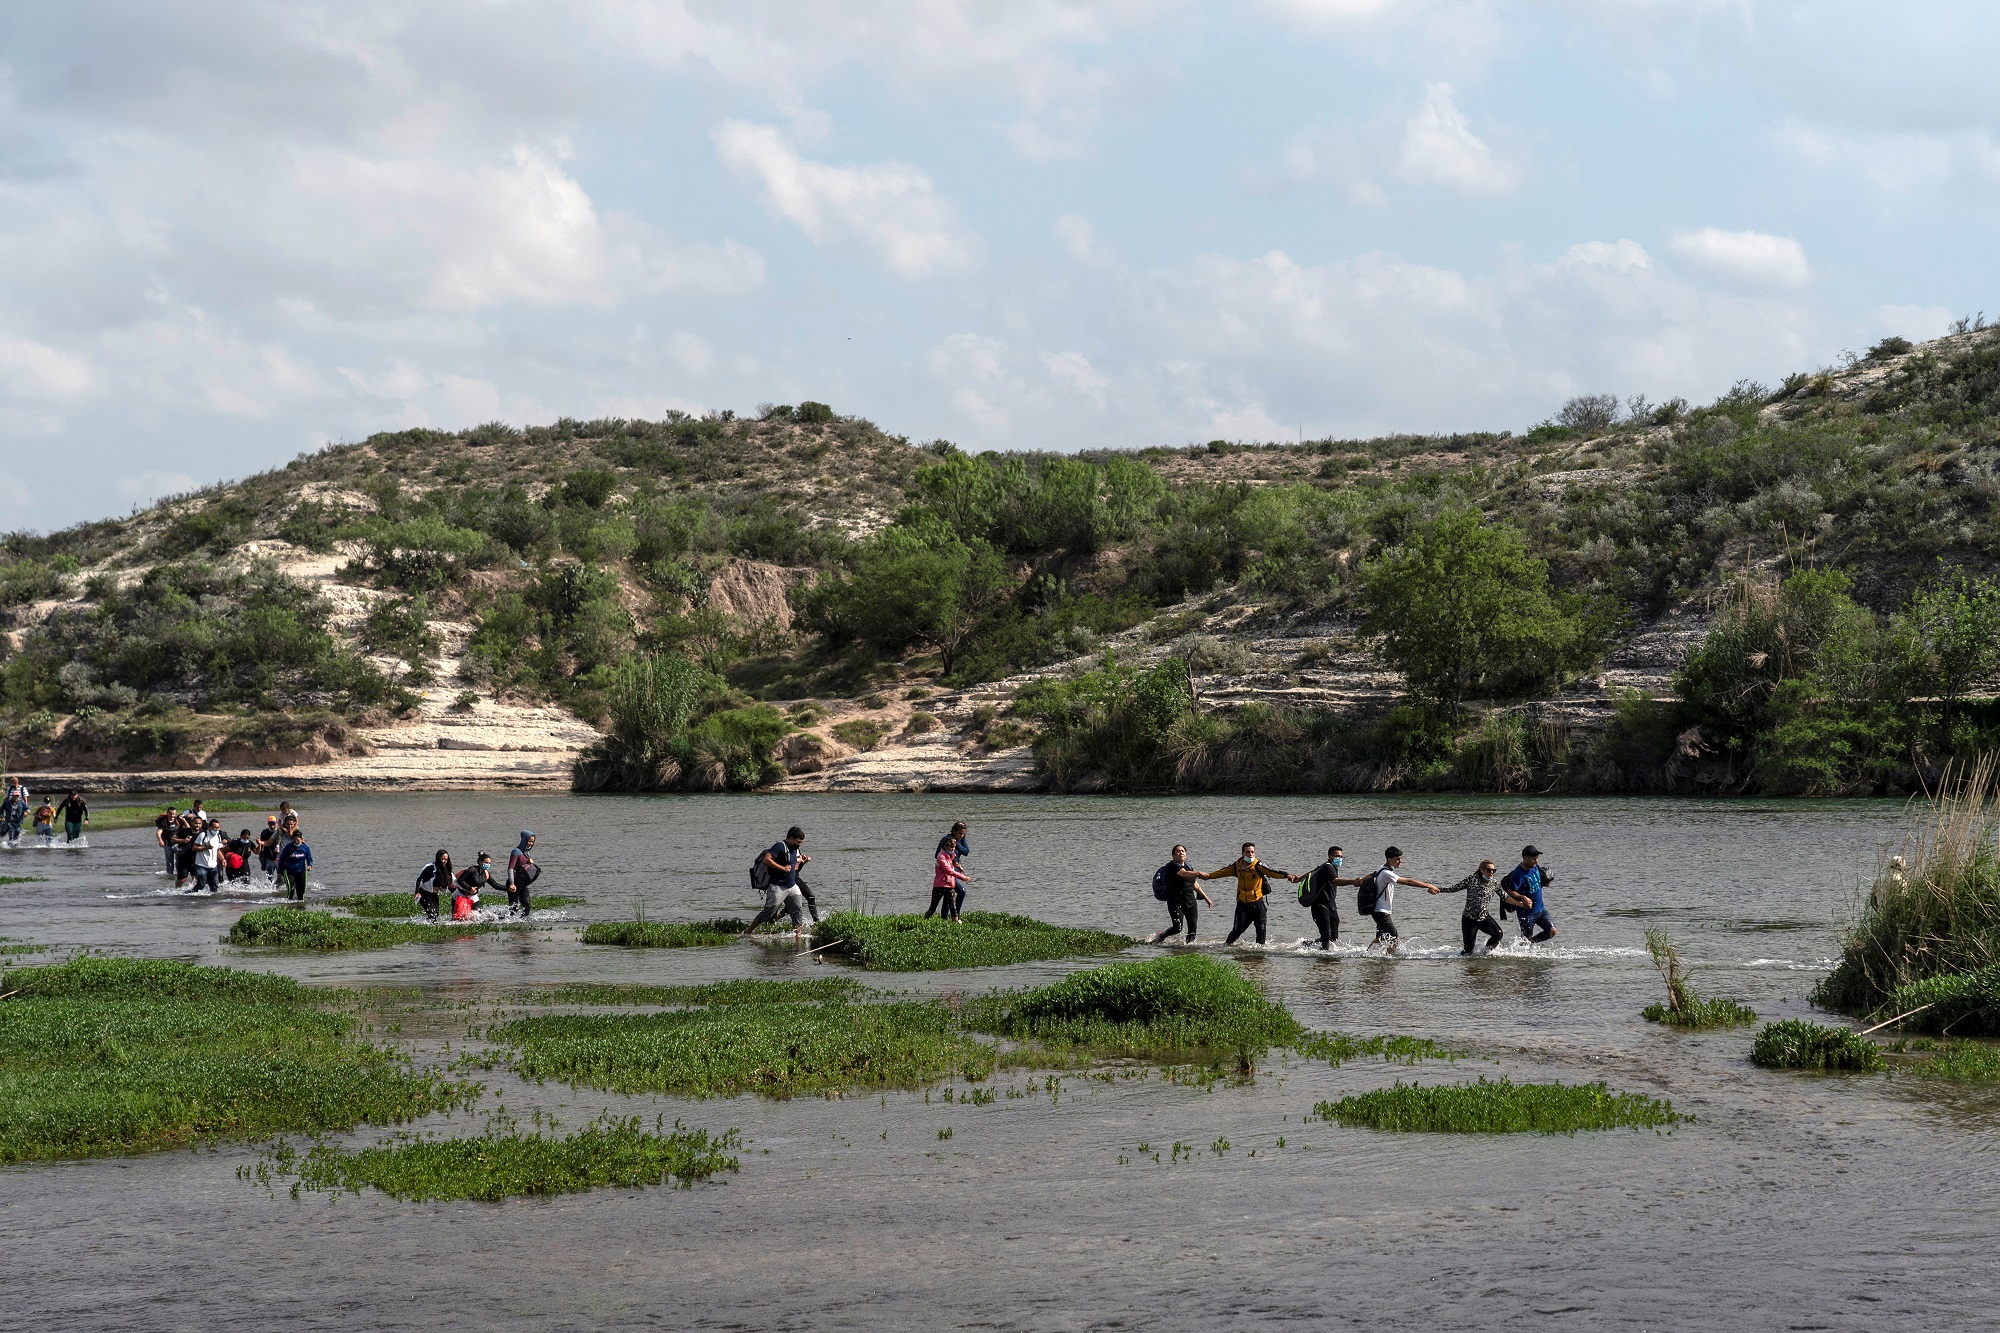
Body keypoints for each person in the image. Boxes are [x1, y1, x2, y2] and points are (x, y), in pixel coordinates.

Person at [1202, 842, 1299, 947]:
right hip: (1242, 905)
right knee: (1236, 931)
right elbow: (1222, 872)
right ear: (1242, 853)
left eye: (1252, 852)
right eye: (1247, 852)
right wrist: (1208, 876)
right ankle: (1225, 946)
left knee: (1261, 931)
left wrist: (1287, 875)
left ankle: (1259, 957)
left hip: (1258, 904)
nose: (1250, 854)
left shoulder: (1258, 865)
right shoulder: (1236, 866)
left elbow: (1273, 872)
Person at [1360, 847, 1441, 953]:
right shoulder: (1386, 873)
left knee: (1382, 938)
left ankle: (1367, 956)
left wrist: (1360, 881)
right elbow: (1408, 882)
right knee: (1395, 938)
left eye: (1400, 858)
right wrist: (1428, 885)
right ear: (1389, 860)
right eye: (1397, 859)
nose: (1400, 861)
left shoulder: (1382, 869)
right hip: (1381, 912)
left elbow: (1372, 874)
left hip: (1378, 911)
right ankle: (1389, 960)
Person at [749, 826, 810, 943]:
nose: (799, 845)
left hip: (792, 886)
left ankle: (798, 938)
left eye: (801, 843)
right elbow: (766, 860)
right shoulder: (780, 846)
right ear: (791, 838)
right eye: (798, 842)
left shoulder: (795, 849)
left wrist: (803, 861)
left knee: (797, 911)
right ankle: (748, 932)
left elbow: (794, 868)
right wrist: (782, 868)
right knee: (769, 912)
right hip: (777, 886)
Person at [1431, 859, 1505, 955]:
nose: (1491, 872)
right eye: (1489, 870)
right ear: (1482, 870)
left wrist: (1521, 903)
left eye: (1493, 870)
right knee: (1468, 951)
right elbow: (1454, 888)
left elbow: (1505, 896)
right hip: (1469, 919)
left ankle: (1485, 955)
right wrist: (1438, 889)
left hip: (1484, 917)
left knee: (1498, 934)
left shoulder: (1493, 883)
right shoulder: (1471, 879)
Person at [1149, 844, 1213, 944]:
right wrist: (1199, 873)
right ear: (1173, 855)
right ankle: (1161, 937)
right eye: (1178, 851)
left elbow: (1194, 884)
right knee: (1177, 928)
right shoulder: (1172, 865)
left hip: (1190, 901)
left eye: (1183, 851)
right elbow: (1184, 874)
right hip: (1175, 901)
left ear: (1186, 854)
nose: (1181, 853)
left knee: (1192, 929)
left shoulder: (1189, 866)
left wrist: (1206, 898)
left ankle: (1189, 950)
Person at [1297, 845, 1352, 951]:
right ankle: (1324, 960)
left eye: (1341, 856)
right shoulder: (1328, 867)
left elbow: (1312, 872)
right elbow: (1335, 881)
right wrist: (1352, 882)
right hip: (1320, 906)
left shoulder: (1329, 867)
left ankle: (1307, 945)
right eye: (1337, 856)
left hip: (1331, 906)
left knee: (1333, 936)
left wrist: (1299, 878)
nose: (1339, 859)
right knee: (1326, 935)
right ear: (1330, 856)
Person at [1502, 845, 1557, 943]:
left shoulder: (1534, 867)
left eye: (1537, 858)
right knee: (1525, 941)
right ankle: (1522, 952)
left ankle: (1532, 944)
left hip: (1541, 909)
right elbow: (1511, 891)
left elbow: (1536, 881)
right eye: (1533, 859)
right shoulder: (1518, 874)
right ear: (1525, 858)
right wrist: (1523, 898)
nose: (1536, 861)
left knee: (1552, 931)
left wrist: (1545, 882)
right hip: (1526, 913)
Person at [925, 822, 970, 919]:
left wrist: (959, 841)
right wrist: (952, 844)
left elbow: (966, 852)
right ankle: (948, 918)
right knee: (960, 892)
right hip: (947, 873)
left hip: (955, 872)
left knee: (950, 896)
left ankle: (951, 917)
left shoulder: (959, 840)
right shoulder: (946, 840)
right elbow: (937, 855)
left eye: (963, 834)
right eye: (959, 833)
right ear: (953, 831)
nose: (961, 836)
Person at [187, 818, 225, 894]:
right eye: (215, 828)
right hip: (201, 865)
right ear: (210, 827)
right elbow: (194, 848)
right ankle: (189, 894)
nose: (216, 830)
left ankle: (212, 901)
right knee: (201, 884)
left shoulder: (218, 836)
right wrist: (206, 847)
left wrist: (223, 859)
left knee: (214, 886)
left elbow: (217, 850)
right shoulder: (203, 835)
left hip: (213, 865)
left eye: (218, 828)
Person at [414, 850, 453, 922]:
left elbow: (453, 882)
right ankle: (425, 925)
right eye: (442, 859)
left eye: (446, 859)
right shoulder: (429, 867)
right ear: (438, 858)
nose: (444, 861)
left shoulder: (446, 870)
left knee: (435, 914)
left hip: (434, 895)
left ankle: (424, 924)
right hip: (424, 893)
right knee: (432, 913)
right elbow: (418, 878)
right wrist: (417, 892)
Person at [506, 831, 539, 917]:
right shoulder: (516, 851)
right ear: (524, 840)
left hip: (522, 884)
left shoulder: (527, 853)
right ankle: (501, 920)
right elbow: (510, 868)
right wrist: (512, 883)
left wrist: (530, 863)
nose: (531, 844)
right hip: (514, 883)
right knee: (514, 908)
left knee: (526, 906)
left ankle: (522, 928)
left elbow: (525, 868)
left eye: (532, 842)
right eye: (529, 841)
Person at [453, 853, 494, 920]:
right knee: (457, 918)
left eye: (489, 863)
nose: (488, 865)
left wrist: (508, 888)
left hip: (473, 897)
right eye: (486, 862)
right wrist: (469, 888)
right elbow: (460, 880)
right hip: (460, 895)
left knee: (477, 917)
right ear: (480, 862)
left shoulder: (486, 874)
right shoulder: (472, 870)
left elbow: (495, 885)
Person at [277, 828, 312, 901]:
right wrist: (279, 872)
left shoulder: (305, 848)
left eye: (298, 838)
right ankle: (288, 906)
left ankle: (301, 908)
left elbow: (309, 858)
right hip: (289, 872)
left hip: (301, 872)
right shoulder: (288, 847)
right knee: (291, 890)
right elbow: (281, 859)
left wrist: (309, 865)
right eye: (295, 838)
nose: (297, 840)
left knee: (301, 893)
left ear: (302, 839)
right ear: (292, 839)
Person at [172, 809, 199, 889]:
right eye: (196, 823)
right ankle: (176, 891)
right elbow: (173, 838)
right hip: (183, 858)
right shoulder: (185, 831)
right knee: (182, 879)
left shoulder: (203, 833)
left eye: (199, 824)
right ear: (192, 823)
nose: (197, 825)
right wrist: (182, 840)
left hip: (196, 859)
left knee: (196, 878)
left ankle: (194, 892)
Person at [1, 780, 27, 844]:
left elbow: (27, 808)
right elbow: (1, 809)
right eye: (15, 796)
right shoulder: (7, 803)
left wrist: (27, 812)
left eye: (17, 796)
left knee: (17, 831)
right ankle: (10, 844)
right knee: (11, 831)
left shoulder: (21, 802)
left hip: (17, 821)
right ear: (12, 796)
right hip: (9, 820)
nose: (16, 797)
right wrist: (1, 816)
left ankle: (15, 844)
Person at [155, 807, 179, 874]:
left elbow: (187, 828)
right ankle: (169, 877)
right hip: (168, 846)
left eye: (173, 814)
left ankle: (179, 875)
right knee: (169, 864)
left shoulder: (178, 821)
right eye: (170, 814)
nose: (172, 816)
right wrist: (160, 840)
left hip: (178, 845)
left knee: (180, 861)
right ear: (167, 813)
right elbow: (158, 832)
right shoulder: (164, 822)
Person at [257, 817, 281, 881]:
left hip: (279, 857)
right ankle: (270, 888)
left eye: (273, 824)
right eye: (270, 824)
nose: (272, 826)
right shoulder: (264, 832)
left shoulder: (280, 832)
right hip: (269, 856)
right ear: (268, 824)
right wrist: (260, 856)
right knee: (269, 876)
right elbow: (261, 845)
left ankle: (279, 888)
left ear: (277, 823)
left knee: (281, 875)